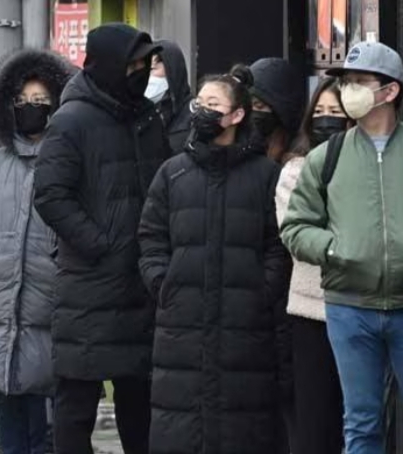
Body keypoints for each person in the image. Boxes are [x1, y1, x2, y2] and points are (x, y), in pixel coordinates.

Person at [138, 64, 291, 454]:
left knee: (243, 428)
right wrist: (163, 283)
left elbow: (278, 244)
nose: (202, 112)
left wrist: (262, 290)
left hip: (245, 327)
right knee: (179, 426)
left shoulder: (265, 175)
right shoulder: (173, 173)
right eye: (199, 104)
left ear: (237, 115)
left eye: (213, 105)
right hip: (181, 325)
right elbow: (151, 238)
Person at [33, 24, 169, 454]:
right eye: (132, 65)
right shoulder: (71, 120)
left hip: (141, 281)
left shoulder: (146, 117)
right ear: (108, 64)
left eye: (145, 64)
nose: (141, 73)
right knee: (77, 403)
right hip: (89, 286)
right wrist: (100, 243)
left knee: (140, 404)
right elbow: (50, 195)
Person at [281, 41, 403, 454]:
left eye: (359, 81)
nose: (349, 90)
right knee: (361, 422)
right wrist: (335, 248)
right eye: (346, 81)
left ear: (390, 90)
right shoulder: (326, 157)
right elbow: (295, 227)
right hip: (350, 307)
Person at [0, 49, 73, 454]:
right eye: (22, 101)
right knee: (2, 397)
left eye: (41, 101)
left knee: (45, 408)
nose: (31, 108)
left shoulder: (69, 160)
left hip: (50, 297)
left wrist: (58, 265)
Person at [275, 76, 348, 454]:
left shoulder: (370, 166)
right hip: (310, 310)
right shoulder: (294, 171)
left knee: (359, 417)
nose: (326, 119)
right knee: (315, 419)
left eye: (335, 111)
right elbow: (299, 236)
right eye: (319, 111)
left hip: (363, 306)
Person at [249, 58, 306, 162]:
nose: (250, 112)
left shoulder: (304, 164)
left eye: (259, 106)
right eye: (246, 105)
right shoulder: (237, 150)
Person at [146, 41, 192, 153]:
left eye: (152, 69)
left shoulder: (192, 115)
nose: (146, 76)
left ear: (172, 69)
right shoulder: (140, 113)